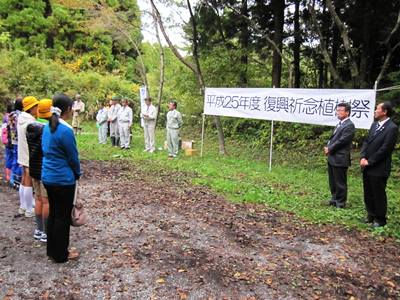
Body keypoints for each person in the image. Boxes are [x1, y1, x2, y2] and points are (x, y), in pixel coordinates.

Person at [42, 93, 81, 263]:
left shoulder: (46, 127)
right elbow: (73, 157)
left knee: (53, 213)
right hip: (63, 179)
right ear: (67, 109)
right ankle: (61, 254)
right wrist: (77, 173)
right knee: (63, 217)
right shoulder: (65, 131)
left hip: (48, 176)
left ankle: (52, 250)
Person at [360, 102, 398, 228]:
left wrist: (370, 161)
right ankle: (370, 214)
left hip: (379, 167)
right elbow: (366, 141)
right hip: (367, 165)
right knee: (368, 191)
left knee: (378, 192)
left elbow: (386, 149)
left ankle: (380, 219)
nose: (375, 111)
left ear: (385, 111)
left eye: (377, 109)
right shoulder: (374, 125)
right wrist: (363, 156)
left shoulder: (392, 128)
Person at [26, 99, 53, 242]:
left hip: (33, 168)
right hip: (44, 168)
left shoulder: (29, 127)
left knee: (37, 199)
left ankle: (38, 229)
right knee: (47, 201)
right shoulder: (45, 129)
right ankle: (47, 233)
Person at [324, 102, 355, 209]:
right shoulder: (340, 124)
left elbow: (342, 141)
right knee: (332, 180)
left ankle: (341, 202)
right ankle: (334, 198)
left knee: (340, 181)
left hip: (340, 157)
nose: (338, 112)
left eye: (340, 110)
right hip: (333, 156)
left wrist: (330, 148)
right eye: (337, 110)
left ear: (347, 112)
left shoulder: (349, 125)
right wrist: (328, 146)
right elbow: (333, 138)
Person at [17, 96, 39, 217]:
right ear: (31, 108)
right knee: (29, 181)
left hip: (22, 152)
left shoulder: (21, 118)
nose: (38, 108)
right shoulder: (30, 122)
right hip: (29, 153)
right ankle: (30, 209)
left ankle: (23, 205)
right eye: (36, 106)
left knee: (24, 179)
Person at [2, 103, 13, 183]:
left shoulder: (5, 116)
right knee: (12, 158)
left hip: (5, 141)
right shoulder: (11, 117)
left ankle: (7, 176)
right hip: (10, 141)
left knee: (8, 157)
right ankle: (10, 177)